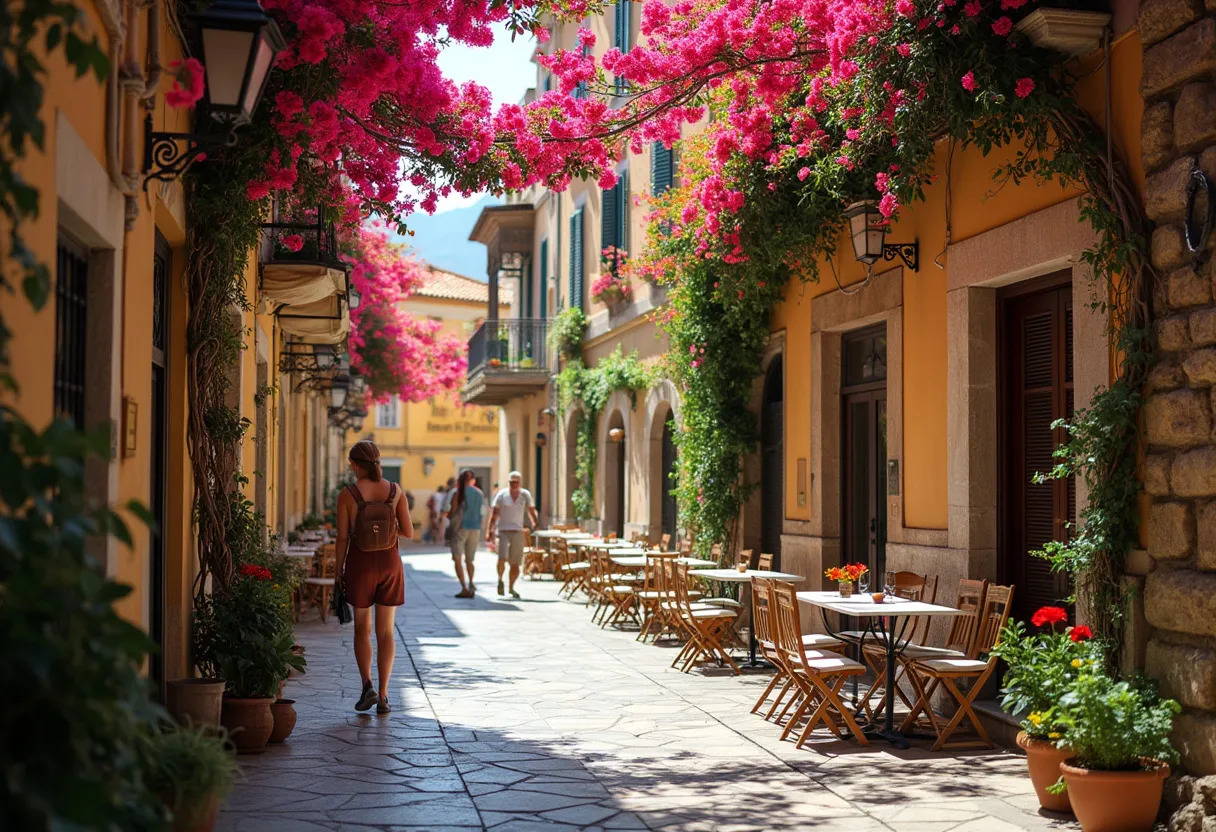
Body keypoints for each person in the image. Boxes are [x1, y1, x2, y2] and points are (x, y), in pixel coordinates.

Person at [335, 439, 413, 715]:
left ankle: (366, 685)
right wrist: (386, 530)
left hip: (360, 564)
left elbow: (343, 538)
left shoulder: (348, 494)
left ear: (355, 465)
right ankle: (383, 696)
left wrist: (338, 573)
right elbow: (409, 531)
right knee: (386, 632)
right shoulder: (394, 490)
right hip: (390, 563)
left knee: (361, 629)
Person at [486, 471, 538, 599]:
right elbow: (494, 514)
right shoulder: (502, 495)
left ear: (519, 483)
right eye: (511, 482)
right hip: (503, 530)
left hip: (518, 531)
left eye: (516, 482)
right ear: (508, 482)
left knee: (515, 563)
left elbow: (531, 510)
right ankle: (500, 580)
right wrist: (490, 531)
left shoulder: (525, 495)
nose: (514, 484)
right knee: (502, 558)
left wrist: (535, 523)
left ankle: (511, 587)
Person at [446, 469, 485, 598]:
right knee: (470, 560)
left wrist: (448, 515)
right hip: (475, 528)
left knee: (457, 558)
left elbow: (452, 512)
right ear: (473, 480)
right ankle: (471, 583)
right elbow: (483, 512)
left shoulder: (458, 493)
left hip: (460, 528)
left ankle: (464, 587)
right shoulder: (479, 493)